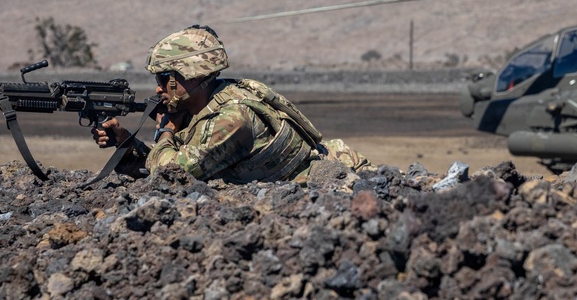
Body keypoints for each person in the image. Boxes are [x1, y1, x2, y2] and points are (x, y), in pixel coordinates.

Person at [93, 24, 372, 183]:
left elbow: (171, 175)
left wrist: (166, 131)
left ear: (188, 76)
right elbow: (164, 163)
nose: (158, 87)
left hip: (325, 184)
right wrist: (124, 142)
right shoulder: (210, 101)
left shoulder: (231, 118)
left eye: (165, 77)